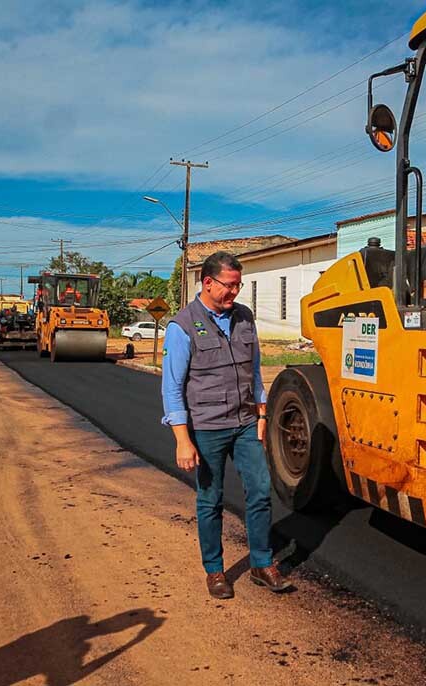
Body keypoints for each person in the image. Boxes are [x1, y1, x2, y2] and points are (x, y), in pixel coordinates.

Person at [161, 251, 291, 599]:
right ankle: (215, 571)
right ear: (208, 282)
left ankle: (262, 564)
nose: (235, 292)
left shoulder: (244, 318)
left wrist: (262, 415)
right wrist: (182, 440)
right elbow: (172, 388)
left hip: (246, 422)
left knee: (261, 491)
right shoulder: (182, 326)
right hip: (206, 428)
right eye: (229, 286)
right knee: (210, 500)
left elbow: (256, 371)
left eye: (238, 285)